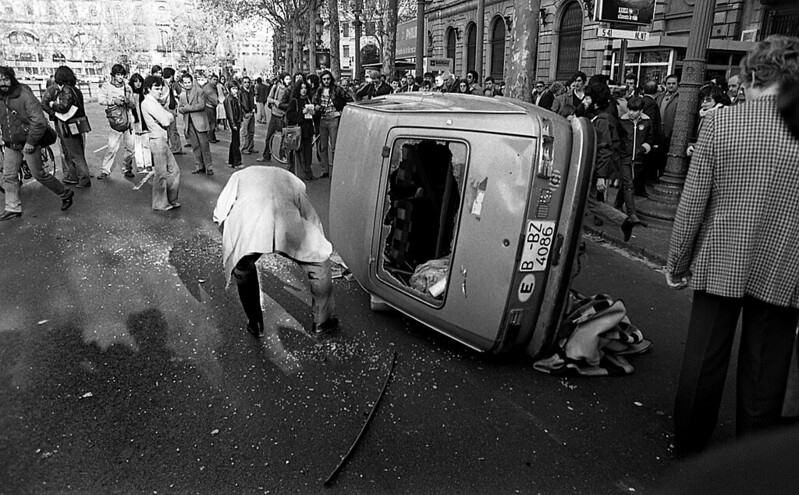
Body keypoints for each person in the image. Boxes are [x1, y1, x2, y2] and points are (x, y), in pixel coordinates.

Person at [665, 35, 799, 458]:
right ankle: (753, 458)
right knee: (766, 369)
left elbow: (693, 201)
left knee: (704, 358)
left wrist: (678, 260)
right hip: (785, 263)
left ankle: (689, 446)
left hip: (722, 256)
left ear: (752, 76)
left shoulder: (721, 124)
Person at [212, 166, 339, 339]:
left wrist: (231, 243)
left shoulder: (239, 176)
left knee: (243, 269)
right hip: (286, 224)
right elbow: (310, 216)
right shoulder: (292, 180)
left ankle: (255, 324)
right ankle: (323, 323)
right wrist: (320, 247)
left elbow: (220, 212)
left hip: (248, 228)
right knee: (319, 263)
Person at [0, 66, 74, 221]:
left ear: (11, 78)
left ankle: (65, 193)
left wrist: (31, 142)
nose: (2, 83)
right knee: (9, 176)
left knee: (39, 174)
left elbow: (39, 121)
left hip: (28, 142)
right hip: (10, 144)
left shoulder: (24, 95)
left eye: (5, 79)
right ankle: (12, 207)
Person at [41, 65, 91, 188]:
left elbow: (63, 107)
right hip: (76, 123)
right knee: (76, 151)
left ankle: (83, 179)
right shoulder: (76, 90)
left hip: (68, 124)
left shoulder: (66, 90)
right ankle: (76, 177)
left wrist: (53, 106)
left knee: (74, 153)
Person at [140, 75, 181, 211]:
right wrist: (168, 116)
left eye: (160, 88)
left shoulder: (153, 102)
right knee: (161, 174)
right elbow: (166, 120)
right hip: (157, 140)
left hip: (161, 139)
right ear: (148, 89)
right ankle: (160, 203)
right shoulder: (148, 103)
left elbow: (167, 117)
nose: (160, 91)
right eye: (156, 88)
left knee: (173, 171)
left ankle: (169, 199)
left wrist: (167, 116)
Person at [616, 96, 653, 223]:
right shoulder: (622, 121)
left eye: (635, 110)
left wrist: (644, 148)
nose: (631, 113)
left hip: (638, 158)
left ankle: (617, 204)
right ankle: (632, 213)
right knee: (629, 185)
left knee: (628, 183)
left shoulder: (647, 122)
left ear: (641, 110)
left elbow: (650, 138)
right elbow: (618, 139)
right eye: (630, 110)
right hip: (624, 157)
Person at [312, 69, 353, 178]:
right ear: (321, 80)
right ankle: (325, 170)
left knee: (334, 146)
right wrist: (316, 106)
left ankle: (336, 169)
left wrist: (340, 112)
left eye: (328, 79)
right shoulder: (319, 90)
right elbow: (314, 101)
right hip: (322, 120)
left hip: (333, 119)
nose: (326, 81)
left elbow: (350, 100)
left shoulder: (337, 89)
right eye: (324, 79)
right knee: (323, 146)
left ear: (331, 79)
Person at [97, 63, 135, 180]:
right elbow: (101, 100)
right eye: (118, 74)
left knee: (131, 149)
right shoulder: (106, 86)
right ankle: (105, 170)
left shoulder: (127, 87)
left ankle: (127, 168)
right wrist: (114, 100)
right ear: (113, 75)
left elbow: (133, 104)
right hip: (115, 121)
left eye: (122, 75)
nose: (120, 77)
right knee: (112, 147)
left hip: (128, 120)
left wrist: (127, 101)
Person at [177, 72, 213, 175]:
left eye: (189, 82)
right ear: (182, 83)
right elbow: (179, 108)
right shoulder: (182, 95)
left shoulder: (199, 91)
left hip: (200, 123)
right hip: (189, 123)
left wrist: (188, 108)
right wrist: (184, 109)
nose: (187, 84)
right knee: (195, 146)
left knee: (204, 146)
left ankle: (209, 167)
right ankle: (199, 166)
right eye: (185, 83)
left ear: (192, 82)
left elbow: (201, 105)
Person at [285, 80, 315, 180]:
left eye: (305, 88)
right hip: (298, 130)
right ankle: (298, 173)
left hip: (307, 130)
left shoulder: (308, 100)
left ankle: (307, 172)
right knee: (297, 151)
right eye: (302, 88)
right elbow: (289, 115)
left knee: (308, 152)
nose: (304, 90)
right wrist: (302, 113)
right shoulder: (294, 101)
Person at [259, 72, 292, 162]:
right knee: (269, 137)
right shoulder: (275, 87)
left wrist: (283, 106)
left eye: (289, 79)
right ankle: (266, 155)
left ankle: (283, 155)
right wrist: (275, 102)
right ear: (282, 80)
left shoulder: (290, 89)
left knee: (284, 137)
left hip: (284, 116)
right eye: (287, 79)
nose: (289, 81)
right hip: (274, 115)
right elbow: (269, 98)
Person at [129, 73, 152, 172]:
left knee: (146, 144)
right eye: (135, 81)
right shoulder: (130, 95)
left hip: (145, 123)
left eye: (139, 81)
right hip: (135, 123)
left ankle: (148, 163)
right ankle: (140, 164)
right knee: (137, 146)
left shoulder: (145, 95)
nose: (138, 84)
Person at [161, 67, 184, 154]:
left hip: (171, 108)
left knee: (172, 129)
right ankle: (172, 146)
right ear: (171, 75)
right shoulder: (162, 84)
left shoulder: (174, 84)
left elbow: (180, 92)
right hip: (165, 108)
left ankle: (176, 147)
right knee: (169, 129)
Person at [223, 82, 243, 169]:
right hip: (234, 122)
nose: (235, 90)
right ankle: (236, 162)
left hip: (237, 121)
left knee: (235, 141)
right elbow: (230, 112)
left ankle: (232, 161)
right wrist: (233, 124)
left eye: (236, 89)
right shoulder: (229, 99)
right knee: (236, 142)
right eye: (233, 89)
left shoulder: (235, 98)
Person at [238, 76, 256, 154]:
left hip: (251, 112)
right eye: (245, 82)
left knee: (251, 131)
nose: (247, 84)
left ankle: (250, 147)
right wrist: (243, 113)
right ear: (242, 83)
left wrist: (254, 108)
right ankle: (244, 148)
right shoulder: (240, 92)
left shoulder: (251, 91)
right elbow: (239, 104)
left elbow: (253, 101)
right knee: (244, 132)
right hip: (245, 114)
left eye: (248, 82)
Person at [200, 74, 220, 143]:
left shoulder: (213, 87)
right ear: (210, 80)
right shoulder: (208, 88)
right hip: (209, 107)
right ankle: (210, 137)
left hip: (211, 107)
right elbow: (213, 99)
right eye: (214, 79)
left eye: (216, 79)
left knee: (213, 123)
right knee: (212, 123)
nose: (216, 81)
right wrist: (218, 102)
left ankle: (212, 137)